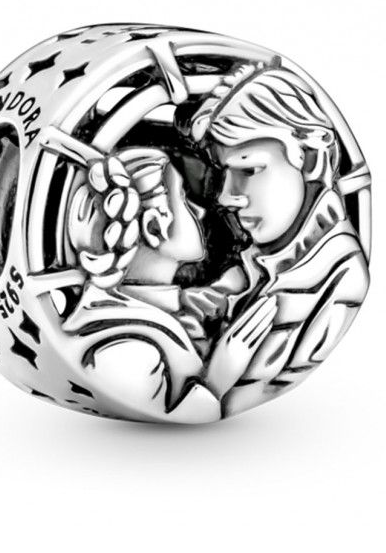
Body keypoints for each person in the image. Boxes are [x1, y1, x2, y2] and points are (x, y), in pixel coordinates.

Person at [184, 65, 370, 415]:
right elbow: (201, 304)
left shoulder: (341, 284)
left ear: (311, 159)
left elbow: (239, 399)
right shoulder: (257, 266)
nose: (226, 196)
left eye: (249, 170)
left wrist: (215, 383)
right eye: (225, 173)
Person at [62, 146, 275, 423]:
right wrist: (220, 376)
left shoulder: (152, 311)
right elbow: (175, 409)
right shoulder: (128, 350)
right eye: (183, 198)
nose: (199, 210)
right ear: (154, 228)